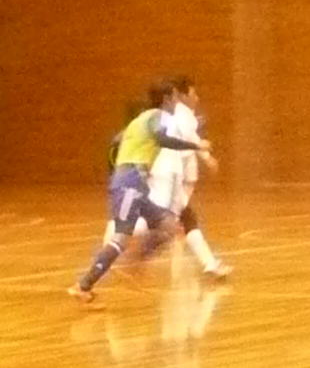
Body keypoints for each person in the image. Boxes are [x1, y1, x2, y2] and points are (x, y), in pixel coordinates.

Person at [69, 79, 212, 307]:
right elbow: (162, 139)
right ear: (166, 99)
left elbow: (116, 142)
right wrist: (196, 146)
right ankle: (83, 285)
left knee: (169, 226)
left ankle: (135, 263)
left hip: (136, 184)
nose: (177, 103)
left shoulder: (140, 120)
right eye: (175, 98)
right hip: (130, 183)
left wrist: (118, 168)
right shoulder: (158, 116)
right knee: (121, 238)